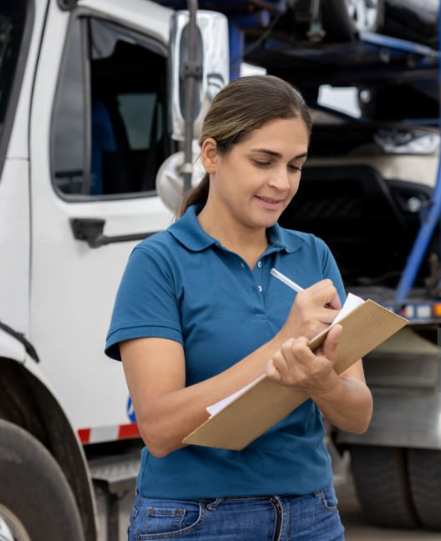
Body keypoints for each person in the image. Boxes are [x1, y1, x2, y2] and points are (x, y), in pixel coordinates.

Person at [105, 75, 373, 541]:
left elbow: (358, 415)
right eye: (263, 161)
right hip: (194, 520)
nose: (282, 183)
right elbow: (159, 428)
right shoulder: (158, 263)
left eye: (295, 165)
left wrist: (320, 381)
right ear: (212, 155)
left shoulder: (313, 256)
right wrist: (277, 349)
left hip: (312, 514)